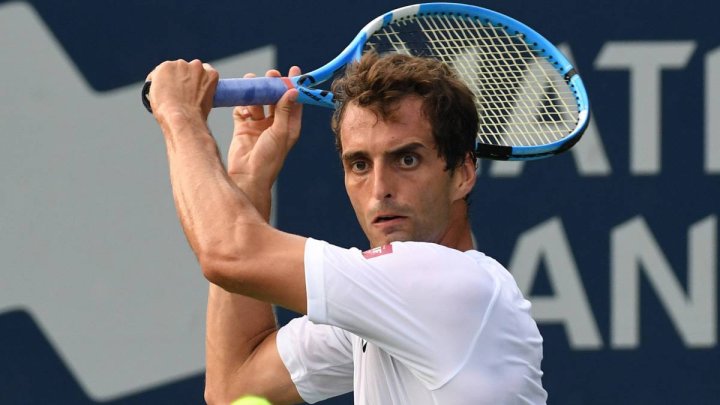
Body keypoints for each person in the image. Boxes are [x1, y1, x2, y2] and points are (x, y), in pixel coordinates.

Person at [146, 52, 547, 404]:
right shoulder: (387, 309)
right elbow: (235, 386)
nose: (380, 190)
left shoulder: (449, 283)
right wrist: (249, 184)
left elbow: (228, 253)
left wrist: (180, 116)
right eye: (359, 164)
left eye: (406, 160)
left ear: (462, 173)